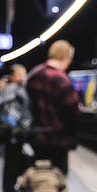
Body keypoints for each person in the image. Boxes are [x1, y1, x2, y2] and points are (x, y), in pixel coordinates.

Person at [25, 39, 79, 174]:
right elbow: (73, 112)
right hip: (57, 140)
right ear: (66, 57)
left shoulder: (34, 74)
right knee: (57, 179)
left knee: (38, 176)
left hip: (36, 138)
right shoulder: (62, 80)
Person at [0, 64, 32, 192]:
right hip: (14, 134)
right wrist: (19, 129)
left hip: (12, 133)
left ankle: (8, 191)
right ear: (14, 75)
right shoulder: (13, 90)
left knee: (11, 163)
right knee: (13, 164)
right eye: (22, 73)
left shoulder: (9, 90)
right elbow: (10, 112)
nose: (24, 76)